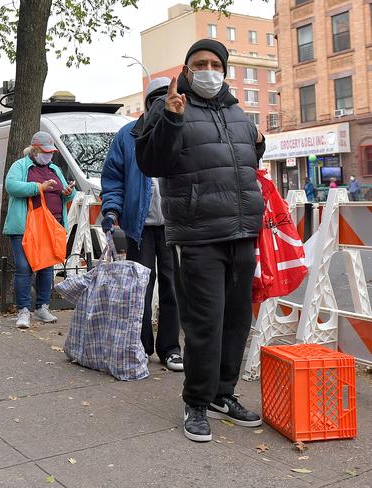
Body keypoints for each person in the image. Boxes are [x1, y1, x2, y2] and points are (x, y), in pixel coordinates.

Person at [136, 39, 265, 442]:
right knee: (205, 323)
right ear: (188, 70)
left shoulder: (239, 114)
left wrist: (259, 143)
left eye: (214, 63)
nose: (207, 69)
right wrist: (171, 120)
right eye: (199, 63)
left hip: (242, 232)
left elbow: (244, 165)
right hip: (198, 233)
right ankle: (196, 401)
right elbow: (150, 163)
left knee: (236, 321)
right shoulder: (170, 106)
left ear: (223, 70)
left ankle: (222, 394)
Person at [101, 77, 183, 372]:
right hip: (140, 226)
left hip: (175, 225)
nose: (161, 103)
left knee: (174, 288)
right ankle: (141, 343)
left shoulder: (182, 129)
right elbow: (112, 179)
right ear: (147, 103)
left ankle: (171, 347)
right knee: (141, 289)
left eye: (167, 97)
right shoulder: (127, 135)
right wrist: (111, 210)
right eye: (156, 99)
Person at [3, 131, 77, 329]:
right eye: (45, 151)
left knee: (46, 266)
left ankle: (42, 307)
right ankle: (23, 310)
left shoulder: (54, 168)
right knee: (24, 267)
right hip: (25, 226)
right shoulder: (20, 166)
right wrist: (39, 187)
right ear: (34, 150)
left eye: (51, 152)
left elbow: (65, 195)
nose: (49, 155)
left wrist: (68, 193)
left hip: (51, 225)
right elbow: (11, 186)